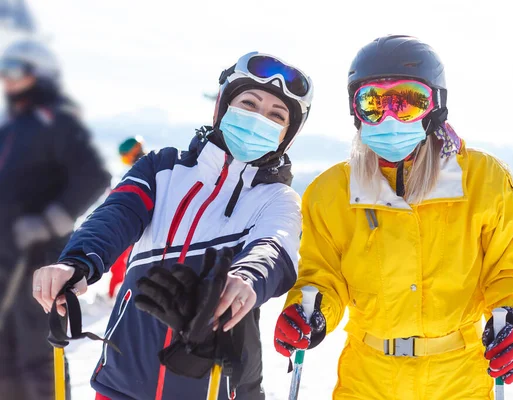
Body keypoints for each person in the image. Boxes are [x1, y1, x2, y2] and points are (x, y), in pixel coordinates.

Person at [273, 35, 513, 399]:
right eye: (373, 103)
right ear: (356, 112)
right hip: (367, 375)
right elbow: (320, 273)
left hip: (460, 374)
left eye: (407, 103)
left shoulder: (481, 179)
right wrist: (310, 311)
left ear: (436, 106)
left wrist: (511, 316)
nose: (389, 118)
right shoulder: (332, 191)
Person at [31, 51, 313, 400]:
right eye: (249, 104)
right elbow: (117, 214)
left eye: (276, 115)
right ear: (223, 108)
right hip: (123, 379)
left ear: (287, 134)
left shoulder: (278, 200)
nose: (259, 119)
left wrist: (245, 280)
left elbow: (275, 247)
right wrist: (76, 261)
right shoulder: (162, 168)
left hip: (214, 383)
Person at [0, 39, 111, 400]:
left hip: (39, 261)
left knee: (37, 356)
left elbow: (94, 176)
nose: (8, 80)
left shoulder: (56, 122)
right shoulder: (12, 129)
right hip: (6, 259)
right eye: (4, 71)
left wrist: (49, 221)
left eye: (16, 70)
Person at [107, 137, 148, 299]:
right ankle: (116, 295)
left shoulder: (142, 170)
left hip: (135, 227)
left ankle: (118, 296)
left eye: (125, 156)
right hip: (135, 226)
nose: (125, 161)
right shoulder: (143, 168)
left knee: (125, 264)